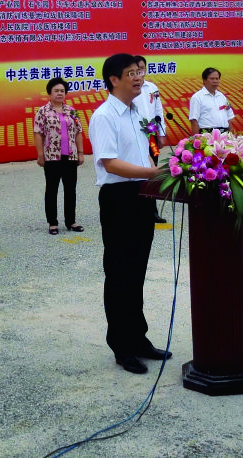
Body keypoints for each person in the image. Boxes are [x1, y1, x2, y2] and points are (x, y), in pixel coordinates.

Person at [88, 52, 171, 375]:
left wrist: (156, 172)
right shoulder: (104, 116)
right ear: (114, 80)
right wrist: (154, 173)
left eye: (140, 72)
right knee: (120, 273)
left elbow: (144, 152)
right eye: (131, 73)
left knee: (137, 271)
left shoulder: (139, 111)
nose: (139, 77)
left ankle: (139, 338)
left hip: (142, 196)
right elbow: (111, 164)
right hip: (119, 198)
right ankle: (122, 347)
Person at [33, 78, 85, 234]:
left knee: (70, 190)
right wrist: (40, 154)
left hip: (70, 156)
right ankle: (53, 223)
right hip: (51, 157)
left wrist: (80, 152)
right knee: (52, 189)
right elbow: (38, 133)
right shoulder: (42, 111)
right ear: (49, 93)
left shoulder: (72, 111)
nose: (60, 93)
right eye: (56, 91)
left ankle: (71, 221)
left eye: (62, 91)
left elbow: (78, 132)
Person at [134, 55, 169, 224]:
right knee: (137, 169)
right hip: (135, 135)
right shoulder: (129, 88)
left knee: (153, 170)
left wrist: (161, 134)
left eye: (142, 68)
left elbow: (158, 111)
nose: (139, 72)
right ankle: (136, 208)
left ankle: (152, 211)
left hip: (151, 135)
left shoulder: (152, 87)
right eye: (136, 69)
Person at [188, 67, 236, 134]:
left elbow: (228, 118)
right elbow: (194, 120)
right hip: (207, 135)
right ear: (204, 80)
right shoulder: (197, 97)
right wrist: (197, 138)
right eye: (212, 79)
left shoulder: (222, 97)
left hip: (224, 134)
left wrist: (231, 136)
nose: (215, 81)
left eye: (217, 79)